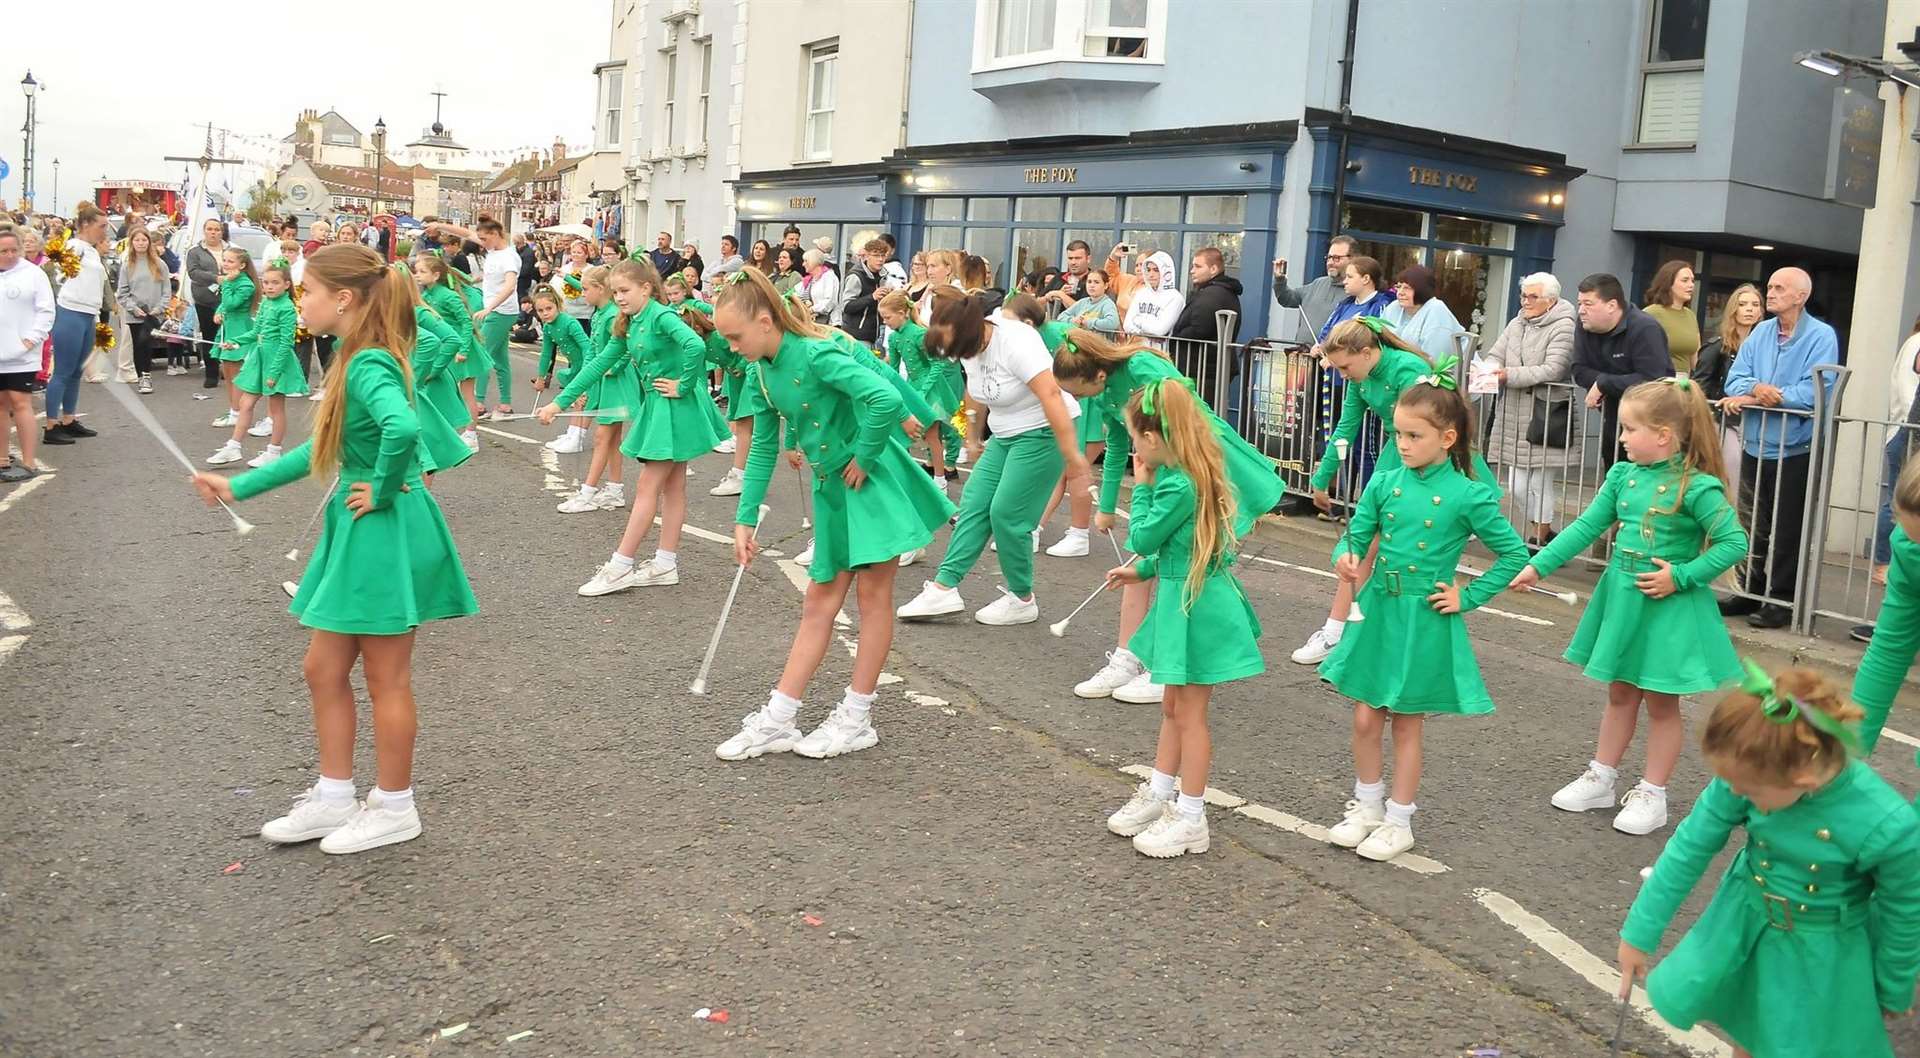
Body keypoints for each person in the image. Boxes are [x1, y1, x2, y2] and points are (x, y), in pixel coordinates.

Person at [190, 243, 477, 855]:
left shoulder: (368, 361)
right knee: (322, 668)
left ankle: (395, 806)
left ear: (342, 299)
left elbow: (401, 427)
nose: (302, 301)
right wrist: (239, 486)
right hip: (360, 528)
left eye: (308, 292)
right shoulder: (352, 355)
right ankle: (334, 794)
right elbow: (317, 449)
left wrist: (382, 485)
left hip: (380, 527)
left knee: (385, 677)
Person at [703, 266, 954, 760]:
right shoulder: (761, 370)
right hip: (832, 489)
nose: (731, 347)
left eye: (735, 336)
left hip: (871, 481)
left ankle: (857, 718)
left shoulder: (816, 352)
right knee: (819, 601)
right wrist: (744, 518)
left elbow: (882, 396)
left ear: (765, 321)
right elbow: (760, 447)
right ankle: (780, 718)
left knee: (872, 597)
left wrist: (863, 453)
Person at [1615, 665, 1919, 1058]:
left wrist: (1891, 988)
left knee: (1794, 1045)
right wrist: (1639, 934)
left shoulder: (1887, 824)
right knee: (1750, 1025)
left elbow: (1904, 913)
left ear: (1805, 776)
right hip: (1746, 921)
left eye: (1750, 790)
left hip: (1822, 950)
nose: (1735, 792)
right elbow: (1690, 846)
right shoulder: (1750, 768)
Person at [1512, 378, 1747, 835]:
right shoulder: (1623, 476)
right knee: (1619, 691)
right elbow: (1585, 527)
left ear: (1663, 434)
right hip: (1622, 595)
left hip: (1667, 604)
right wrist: (1538, 566)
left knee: (1661, 701)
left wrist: (1680, 576)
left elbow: (1733, 542)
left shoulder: (1696, 487)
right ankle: (1602, 776)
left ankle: (1652, 793)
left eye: (1628, 429)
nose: (1621, 438)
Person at [1317, 375, 1530, 863]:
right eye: (1397, 434)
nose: (1404, 445)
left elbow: (1514, 554)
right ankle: (1368, 807)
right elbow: (1357, 535)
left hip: (1423, 615)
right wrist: (1345, 557)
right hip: (1378, 611)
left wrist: (1469, 596)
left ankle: (1399, 821)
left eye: (1415, 436)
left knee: (1405, 722)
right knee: (1366, 715)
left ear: (1447, 439)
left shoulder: (1467, 494)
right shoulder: (1386, 481)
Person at [1054, 329, 1286, 706]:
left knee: (1189, 565)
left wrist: (1185, 475)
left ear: (1096, 376)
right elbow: (1116, 446)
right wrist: (1107, 506)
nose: (1074, 399)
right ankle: (1131, 657)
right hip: (1164, 465)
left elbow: (1186, 412)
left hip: (1203, 463)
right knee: (1145, 562)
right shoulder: (1102, 393)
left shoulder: (1141, 366)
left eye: (1076, 391)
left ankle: (1168, 664)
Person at [1101, 380, 1263, 859]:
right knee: (1173, 708)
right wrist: (1142, 572)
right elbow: (1181, 546)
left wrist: (1143, 487)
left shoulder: (1174, 482)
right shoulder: (1190, 473)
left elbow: (1147, 535)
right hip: (1182, 595)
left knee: (1190, 715)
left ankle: (1191, 815)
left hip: (1196, 606)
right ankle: (1159, 792)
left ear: (1153, 439)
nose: (1133, 447)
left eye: (1134, 438)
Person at [897, 287, 1092, 626]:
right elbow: (976, 392)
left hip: (1044, 430)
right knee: (974, 503)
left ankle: (1022, 598)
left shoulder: (1016, 341)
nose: (955, 358)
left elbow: (1050, 394)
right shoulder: (970, 347)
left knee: (1007, 514)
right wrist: (972, 436)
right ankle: (944, 588)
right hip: (1005, 433)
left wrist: (1073, 457)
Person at [539, 257, 726, 595]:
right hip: (661, 406)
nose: (619, 297)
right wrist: (558, 403)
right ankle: (665, 563)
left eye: (624, 290)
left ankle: (621, 566)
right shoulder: (629, 322)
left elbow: (695, 345)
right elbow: (598, 364)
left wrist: (683, 384)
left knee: (647, 486)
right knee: (673, 486)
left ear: (646, 288)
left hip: (673, 405)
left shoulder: (662, 315)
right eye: (615, 292)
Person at [1292, 318, 1457, 666]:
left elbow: (1420, 432)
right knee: (1367, 543)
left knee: (1416, 550)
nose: (1342, 375)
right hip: (1398, 456)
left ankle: (1395, 638)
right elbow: (1346, 426)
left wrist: (1387, 482)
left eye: (1345, 367)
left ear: (1366, 353)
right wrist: (1321, 479)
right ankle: (1338, 632)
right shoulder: (1362, 376)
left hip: (1428, 461)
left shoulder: (1408, 370)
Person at [1718, 267, 1837, 630]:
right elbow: (1734, 379)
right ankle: (1748, 590)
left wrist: (1772, 395)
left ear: (1800, 296)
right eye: (1769, 286)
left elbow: (1818, 388)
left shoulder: (1821, 336)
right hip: (1755, 444)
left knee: (1787, 529)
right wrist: (1757, 389)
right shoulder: (1762, 333)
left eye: (1779, 288)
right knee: (1752, 524)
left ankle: (1781, 599)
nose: (1770, 293)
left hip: (1795, 447)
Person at [1483, 272, 1578, 547]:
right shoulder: (1517, 322)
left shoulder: (1564, 325)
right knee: (1517, 485)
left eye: (1532, 296)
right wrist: (1488, 369)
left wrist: (1507, 374)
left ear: (1551, 300)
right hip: (1515, 412)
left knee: (1539, 483)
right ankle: (1545, 533)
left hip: (1548, 412)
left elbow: (1554, 368)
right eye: (1523, 295)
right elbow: (1495, 353)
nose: (1526, 301)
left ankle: (1539, 537)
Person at [208, 258, 305, 468]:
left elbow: (286, 343)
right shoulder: (267, 303)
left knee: (276, 408)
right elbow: (255, 332)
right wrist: (234, 342)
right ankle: (233, 447)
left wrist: (274, 373)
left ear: (287, 284)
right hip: (261, 358)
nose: (269, 287)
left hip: (276, 362)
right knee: (246, 403)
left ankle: (274, 451)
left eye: (274, 283)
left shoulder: (287, 308)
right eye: (266, 282)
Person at [551, 266, 631, 514]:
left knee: (602, 437)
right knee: (612, 438)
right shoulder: (600, 314)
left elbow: (626, 348)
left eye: (585, 289)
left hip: (616, 383)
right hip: (603, 381)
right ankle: (615, 489)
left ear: (599, 288)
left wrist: (614, 367)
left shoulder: (611, 315)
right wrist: (582, 386)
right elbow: (593, 356)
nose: (582, 293)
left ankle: (587, 493)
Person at [1570, 272, 1671, 467]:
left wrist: (1605, 383)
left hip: (1651, 425)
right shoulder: (1584, 326)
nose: (1581, 310)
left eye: (1588, 304)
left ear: (1612, 305)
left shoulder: (1645, 328)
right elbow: (1579, 370)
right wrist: (1606, 383)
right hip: (1614, 420)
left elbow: (1654, 379)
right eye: (1580, 303)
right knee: (1614, 479)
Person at [879, 291, 959, 489]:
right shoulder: (894, 338)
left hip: (930, 388)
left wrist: (923, 391)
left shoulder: (918, 333)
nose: (885, 322)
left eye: (888, 317)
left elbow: (937, 364)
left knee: (932, 435)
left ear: (902, 313)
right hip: (913, 386)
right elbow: (894, 369)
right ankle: (906, 476)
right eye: (883, 318)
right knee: (905, 431)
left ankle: (940, 480)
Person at [43, 206, 109, 446]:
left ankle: (69, 419)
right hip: (70, 311)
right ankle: (51, 425)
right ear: (85, 225)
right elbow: (56, 273)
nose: (104, 231)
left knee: (76, 371)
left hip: (88, 313)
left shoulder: (91, 251)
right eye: (101, 226)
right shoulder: (73, 247)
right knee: (62, 370)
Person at [444, 217, 519, 418]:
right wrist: (438, 225)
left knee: (482, 355)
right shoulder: (493, 249)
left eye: (484, 239)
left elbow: (510, 286)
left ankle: (478, 402)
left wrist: (490, 308)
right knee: (500, 358)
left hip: (501, 312)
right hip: (497, 310)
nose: (481, 243)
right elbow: (466, 234)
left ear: (496, 235)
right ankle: (505, 403)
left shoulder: (508, 257)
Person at [414, 254, 487, 450]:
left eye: (422, 272)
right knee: (444, 391)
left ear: (436, 275)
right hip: (447, 348)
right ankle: (447, 432)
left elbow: (466, 322)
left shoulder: (448, 295)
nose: (417, 275)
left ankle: (471, 434)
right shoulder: (426, 296)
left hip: (463, 349)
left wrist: (463, 350)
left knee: (466, 393)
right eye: (416, 271)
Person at [0, 225, 53, 479]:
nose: (10, 255)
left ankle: (29, 462)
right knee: (0, 405)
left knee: (21, 402)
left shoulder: (33, 274)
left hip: (22, 353)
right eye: (3, 251)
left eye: (14, 250)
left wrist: (31, 340)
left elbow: (46, 310)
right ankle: (1, 460)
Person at [1169, 247, 1244, 408]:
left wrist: (1176, 336)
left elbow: (1200, 329)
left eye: (1197, 266)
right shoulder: (1216, 292)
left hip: (1202, 370)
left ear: (1214, 269)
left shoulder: (1212, 294)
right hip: (1205, 368)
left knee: (1197, 418)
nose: (1191, 271)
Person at [530, 286, 593, 455]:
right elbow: (545, 354)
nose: (545, 313)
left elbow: (587, 346)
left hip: (586, 367)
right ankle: (572, 434)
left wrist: (586, 374)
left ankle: (577, 438)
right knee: (575, 401)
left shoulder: (570, 322)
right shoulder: (548, 328)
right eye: (540, 310)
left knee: (581, 402)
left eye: (549, 308)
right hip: (574, 367)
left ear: (558, 305)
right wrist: (541, 377)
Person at [206, 247, 260, 432]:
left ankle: (238, 413)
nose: (225, 264)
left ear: (242, 265)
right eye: (225, 260)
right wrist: (218, 312)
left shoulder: (246, 284)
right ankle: (233, 410)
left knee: (236, 375)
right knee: (228, 373)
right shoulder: (233, 281)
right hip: (227, 328)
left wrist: (226, 284)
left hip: (239, 329)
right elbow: (224, 306)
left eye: (230, 261)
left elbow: (231, 303)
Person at [117, 226, 170, 395]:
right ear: (131, 243)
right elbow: (122, 293)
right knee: (138, 345)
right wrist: (133, 308)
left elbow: (166, 290)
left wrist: (159, 308)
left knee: (147, 344)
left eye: (144, 240)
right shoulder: (127, 265)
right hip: (136, 314)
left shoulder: (159, 264)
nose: (140, 243)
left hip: (154, 313)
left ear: (149, 242)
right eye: (137, 240)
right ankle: (142, 376)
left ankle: (146, 374)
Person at [1272, 234, 1355, 340]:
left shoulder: (1357, 293)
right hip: (1300, 353)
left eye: (1336, 258)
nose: (1330, 262)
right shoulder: (1318, 283)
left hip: (1330, 356)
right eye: (1329, 257)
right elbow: (1287, 299)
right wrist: (1280, 279)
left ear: (1353, 259)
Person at [1378, 264, 1461, 362]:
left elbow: (1433, 359)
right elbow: (1379, 338)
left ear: (1422, 290)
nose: (1400, 292)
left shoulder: (1436, 310)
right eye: (1399, 287)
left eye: (1407, 288)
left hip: (1436, 372)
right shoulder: (1394, 307)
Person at [1693, 282, 1759, 403]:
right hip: (1719, 415)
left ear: (1760, 312)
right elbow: (1700, 387)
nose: (1750, 309)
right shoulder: (1716, 347)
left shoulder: (1761, 348)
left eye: (1755, 305)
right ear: (1733, 309)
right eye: (1742, 304)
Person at [187, 219, 229, 389]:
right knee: (209, 337)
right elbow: (193, 272)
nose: (213, 232)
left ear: (221, 232)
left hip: (228, 301)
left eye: (217, 229)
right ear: (204, 231)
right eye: (210, 229)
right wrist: (215, 278)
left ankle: (228, 369)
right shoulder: (195, 252)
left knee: (228, 335)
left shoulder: (231, 249)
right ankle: (211, 374)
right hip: (205, 299)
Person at [1642, 259, 1700, 374]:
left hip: (1684, 384)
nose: (1691, 285)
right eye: (1685, 280)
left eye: (1692, 281)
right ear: (1668, 283)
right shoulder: (1650, 314)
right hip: (1658, 382)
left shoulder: (1691, 315)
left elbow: (1695, 360)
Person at [1123, 250, 1184, 342]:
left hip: (1160, 352)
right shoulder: (1141, 293)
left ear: (1166, 272)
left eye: (1156, 270)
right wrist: (1145, 332)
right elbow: (1127, 325)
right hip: (1137, 349)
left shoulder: (1175, 298)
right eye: (1148, 270)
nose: (1151, 275)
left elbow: (1160, 330)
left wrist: (1138, 320)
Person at [838, 237, 887, 345]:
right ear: (867, 256)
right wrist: (872, 297)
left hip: (876, 336)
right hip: (856, 336)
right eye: (876, 255)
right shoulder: (856, 276)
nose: (880, 259)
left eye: (883, 255)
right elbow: (846, 306)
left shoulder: (884, 276)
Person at [1042, 239, 1096, 311]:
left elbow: (1084, 312)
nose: (1073, 262)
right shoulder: (1059, 277)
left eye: (1077, 258)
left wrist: (1060, 295)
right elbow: (1036, 304)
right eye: (1070, 258)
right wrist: (1048, 297)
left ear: (1088, 259)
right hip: (1053, 321)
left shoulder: (1094, 282)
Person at [796, 248, 841, 327]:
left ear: (813, 262)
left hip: (828, 324)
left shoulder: (829, 277)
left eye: (806, 261)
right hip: (814, 323)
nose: (803, 264)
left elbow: (830, 302)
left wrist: (811, 309)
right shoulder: (809, 279)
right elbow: (795, 293)